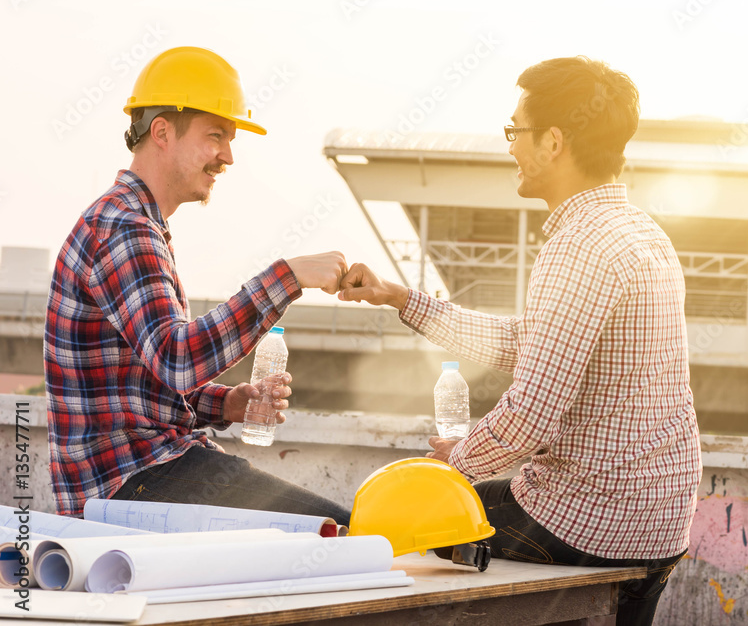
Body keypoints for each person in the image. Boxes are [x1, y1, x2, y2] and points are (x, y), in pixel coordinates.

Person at [338, 56, 702, 625]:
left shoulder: (579, 247)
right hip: (660, 522)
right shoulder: (641, 233)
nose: (510, 146)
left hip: (589, 520)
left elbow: (529, 415)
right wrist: (400, 298)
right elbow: (526, 344)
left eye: (516, 132)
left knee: (386, 529)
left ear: (553, 141)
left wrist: (454, 466)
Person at [44, 46, 350, 525]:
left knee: (328, 532)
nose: (228, 156)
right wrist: (287, 278)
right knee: (339, 532)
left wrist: (227, 402)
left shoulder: (134, 223)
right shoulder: (124, 227)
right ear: (162, 132)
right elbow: (177, 359)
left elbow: (147, 382)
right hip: (134, 484)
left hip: (139, 478)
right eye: (215, 136)